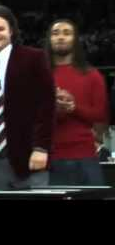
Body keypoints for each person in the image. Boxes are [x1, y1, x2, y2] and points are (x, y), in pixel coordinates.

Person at [0, 5, 55, 190]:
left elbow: (47, 106)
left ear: (11, 31)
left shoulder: (34, 58)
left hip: (30, 155)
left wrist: (41, 148)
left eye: (0, 29)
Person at [46, 19, 108, 185]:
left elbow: (100, 114)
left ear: (75, 39)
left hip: (85, 156)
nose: (60, 37)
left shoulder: (92, 75)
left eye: (67, 33)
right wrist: (54, 109)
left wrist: (73, 108)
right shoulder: (39, 75)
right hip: (48, 157)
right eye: (55, 33)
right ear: (49, 39)